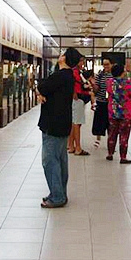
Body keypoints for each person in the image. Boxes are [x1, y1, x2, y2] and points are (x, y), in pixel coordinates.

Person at [36, 48, 81, 208]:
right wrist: (43, 92)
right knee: (60, 160)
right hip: (62, 123)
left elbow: (42, 86)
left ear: (64, 59)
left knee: (49, 161)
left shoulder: (60, 76)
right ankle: (60, 192)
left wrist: (41, 92)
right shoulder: (68, 77)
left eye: (62, 54)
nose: (60, 55)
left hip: (52, 124)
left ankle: (57, 197)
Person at [106, 63, 131, 164]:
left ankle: (110, 154)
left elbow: (109, 93)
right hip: (126, 113)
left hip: (113, 112)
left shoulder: (109, 82)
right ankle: (123, 157)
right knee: (124, 135)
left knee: (112, 134)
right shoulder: (127, 83)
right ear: (122, 72)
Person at [68, 56, 92, 156]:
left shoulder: (77, 72)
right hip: (77, 99)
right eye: (81, 61)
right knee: (77, 123)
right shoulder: (74, 72)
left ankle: (71, 145)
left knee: (74, 122)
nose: (83, 63)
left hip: (77, 98)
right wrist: (74, 93)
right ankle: (77, 147)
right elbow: (73, 83)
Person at [92, 57, 112, 149]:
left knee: (110, 123)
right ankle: (98, 138)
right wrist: (94, 85)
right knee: (99, 121)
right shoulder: (100, 74)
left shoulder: (114, 75)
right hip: (101, 101)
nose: (105, 66)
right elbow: (96, 89)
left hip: (111, 102)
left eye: (107, 64)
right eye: (104, 64)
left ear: (111, 64)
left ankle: (110, 141)